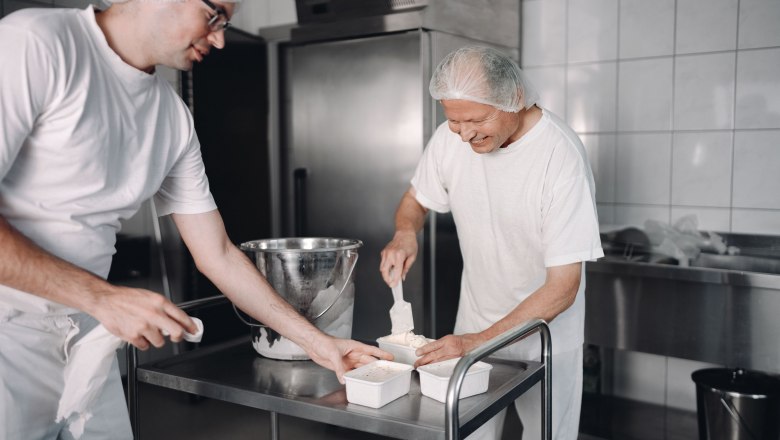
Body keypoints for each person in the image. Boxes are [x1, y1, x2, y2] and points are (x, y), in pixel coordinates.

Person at [0, 1, 390, 439]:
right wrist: (103, 298)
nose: (220, 38)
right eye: (214, 15)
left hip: (87, 336)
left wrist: (321, 345)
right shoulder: (38, 42)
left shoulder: (172, 116)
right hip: (9, 334)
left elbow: (218, 254)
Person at [379, 46, 603, 440]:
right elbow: (416, 199)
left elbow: (563, 287)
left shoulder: (560, 158)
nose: (464, 134)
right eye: (453, 121)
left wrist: (477, 342)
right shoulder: (453, 138)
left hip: (546, 340)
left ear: (514, 98)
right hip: (472, 328)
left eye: (476, 119)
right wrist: (405, 232)